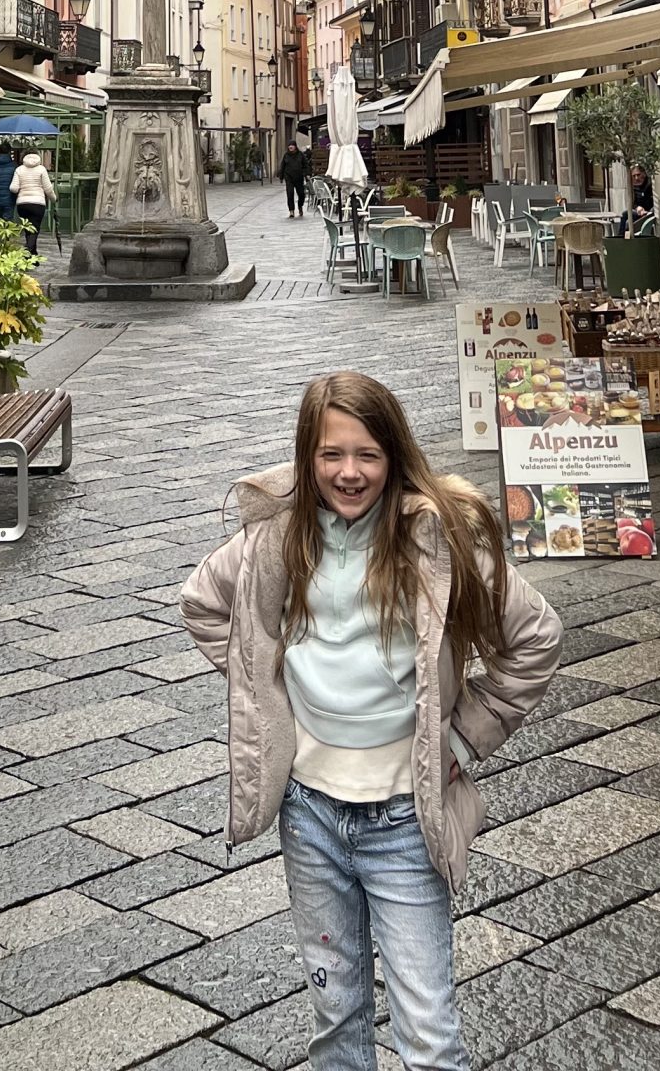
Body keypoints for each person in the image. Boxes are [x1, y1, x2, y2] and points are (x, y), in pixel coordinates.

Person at [180, 371, 562, 1071]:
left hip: (406, 818)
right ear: (307, 457)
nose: (349, 473)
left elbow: (535, 637)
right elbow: (203, 603)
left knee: (428, 1030)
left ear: (394, 456)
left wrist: (462, 737)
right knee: (336, 1013)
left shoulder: (436, 540)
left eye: (367, 455)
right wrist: (267, 695)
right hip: (310, 812)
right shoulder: (273, 541)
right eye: (331, 454)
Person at [10, 150, 56, 252]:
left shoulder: (19, 169)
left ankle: (33, 255)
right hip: (38, 203)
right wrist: (54, 199)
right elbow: (48, 188)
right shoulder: (41, 169)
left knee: (27, 229)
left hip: (23, 204)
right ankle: (28, 249)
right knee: (35, 229)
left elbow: (13, 188)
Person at [279, 137, 312, 219]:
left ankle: (300, 206)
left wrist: (307, 174)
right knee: (290, 194)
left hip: (299, 177)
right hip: (289, 177)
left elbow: (306, 165)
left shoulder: (300, 155)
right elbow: (282, 166)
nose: (290, 147)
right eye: (289, 145)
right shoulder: (286, 155)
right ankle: (291, 211)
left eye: (292, 145)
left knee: (301, 194)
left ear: (295, 146)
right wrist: (281, 176)